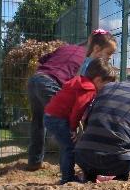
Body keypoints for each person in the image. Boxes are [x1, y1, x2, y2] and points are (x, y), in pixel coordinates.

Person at [43, 58, 117, 184]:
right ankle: (67, 178)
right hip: (57, 118)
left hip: (51, 115)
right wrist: (73, 128)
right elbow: (78, 109)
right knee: (69, 147)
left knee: (66, 146)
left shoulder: (79, 81)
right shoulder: (89, 88)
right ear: (98, 80)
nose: (106, 89)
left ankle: (66, 175)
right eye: (106, 85)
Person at [27, 43, 86, 171]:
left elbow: (41, 61)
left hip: (35, 80)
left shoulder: (65, 48)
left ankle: (34, 162)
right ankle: (69, 170)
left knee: (38, 122)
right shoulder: (86, 58)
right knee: (66, 125)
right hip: (50, 83)